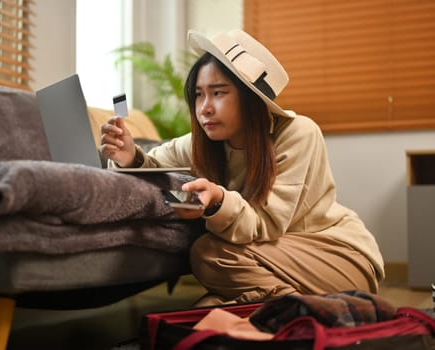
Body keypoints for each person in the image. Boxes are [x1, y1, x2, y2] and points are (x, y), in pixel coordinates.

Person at [100, 29, 384, 306]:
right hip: (267, 261)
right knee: (209, 265)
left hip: (335, 256)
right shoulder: (204, 141)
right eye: (199, 94)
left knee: (210, 254)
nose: (205, 108)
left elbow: (266, 223)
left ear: (251, 100)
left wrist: (219, 200)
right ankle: (267, 308)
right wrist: (129, 155)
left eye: (218, 93)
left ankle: (276, 308)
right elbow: (152, 164)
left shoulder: (299, 133)